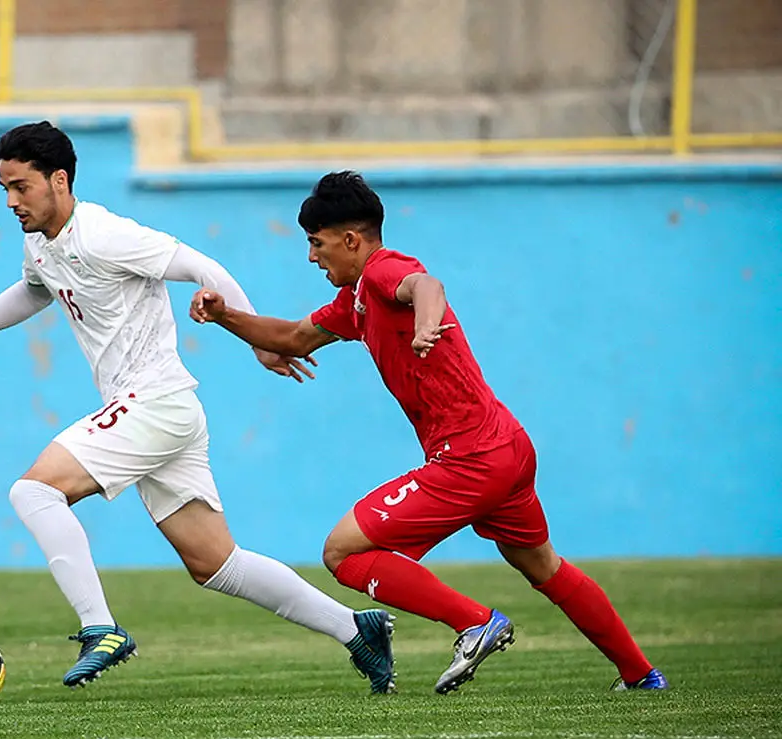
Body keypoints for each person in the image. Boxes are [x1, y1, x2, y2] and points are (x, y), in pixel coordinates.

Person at [0, 123, 395, 693]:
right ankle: (357, 630)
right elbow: (36, 289)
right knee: (217, 565)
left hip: (154, 402)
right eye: (4, 190)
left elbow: (200, 265)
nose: (11, 201)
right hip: (163, 412)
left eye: (20, 187)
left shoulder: (104, 234)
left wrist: (258, 340)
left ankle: (101, 629)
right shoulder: (42, 245)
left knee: (34, 491)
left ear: (59, 180)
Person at [188, 170, 669, 694]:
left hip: (468, 458)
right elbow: (295, 338)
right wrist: (224, 317)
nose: (311, 256)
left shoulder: (381, 273)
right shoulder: (357, 300)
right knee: (543, 566)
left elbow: (425, 285)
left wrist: (425, 321)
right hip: (506, 445)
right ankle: (641, 675)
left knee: (342, 553)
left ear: (351, 240)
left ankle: (473, 621)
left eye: (316, 243)